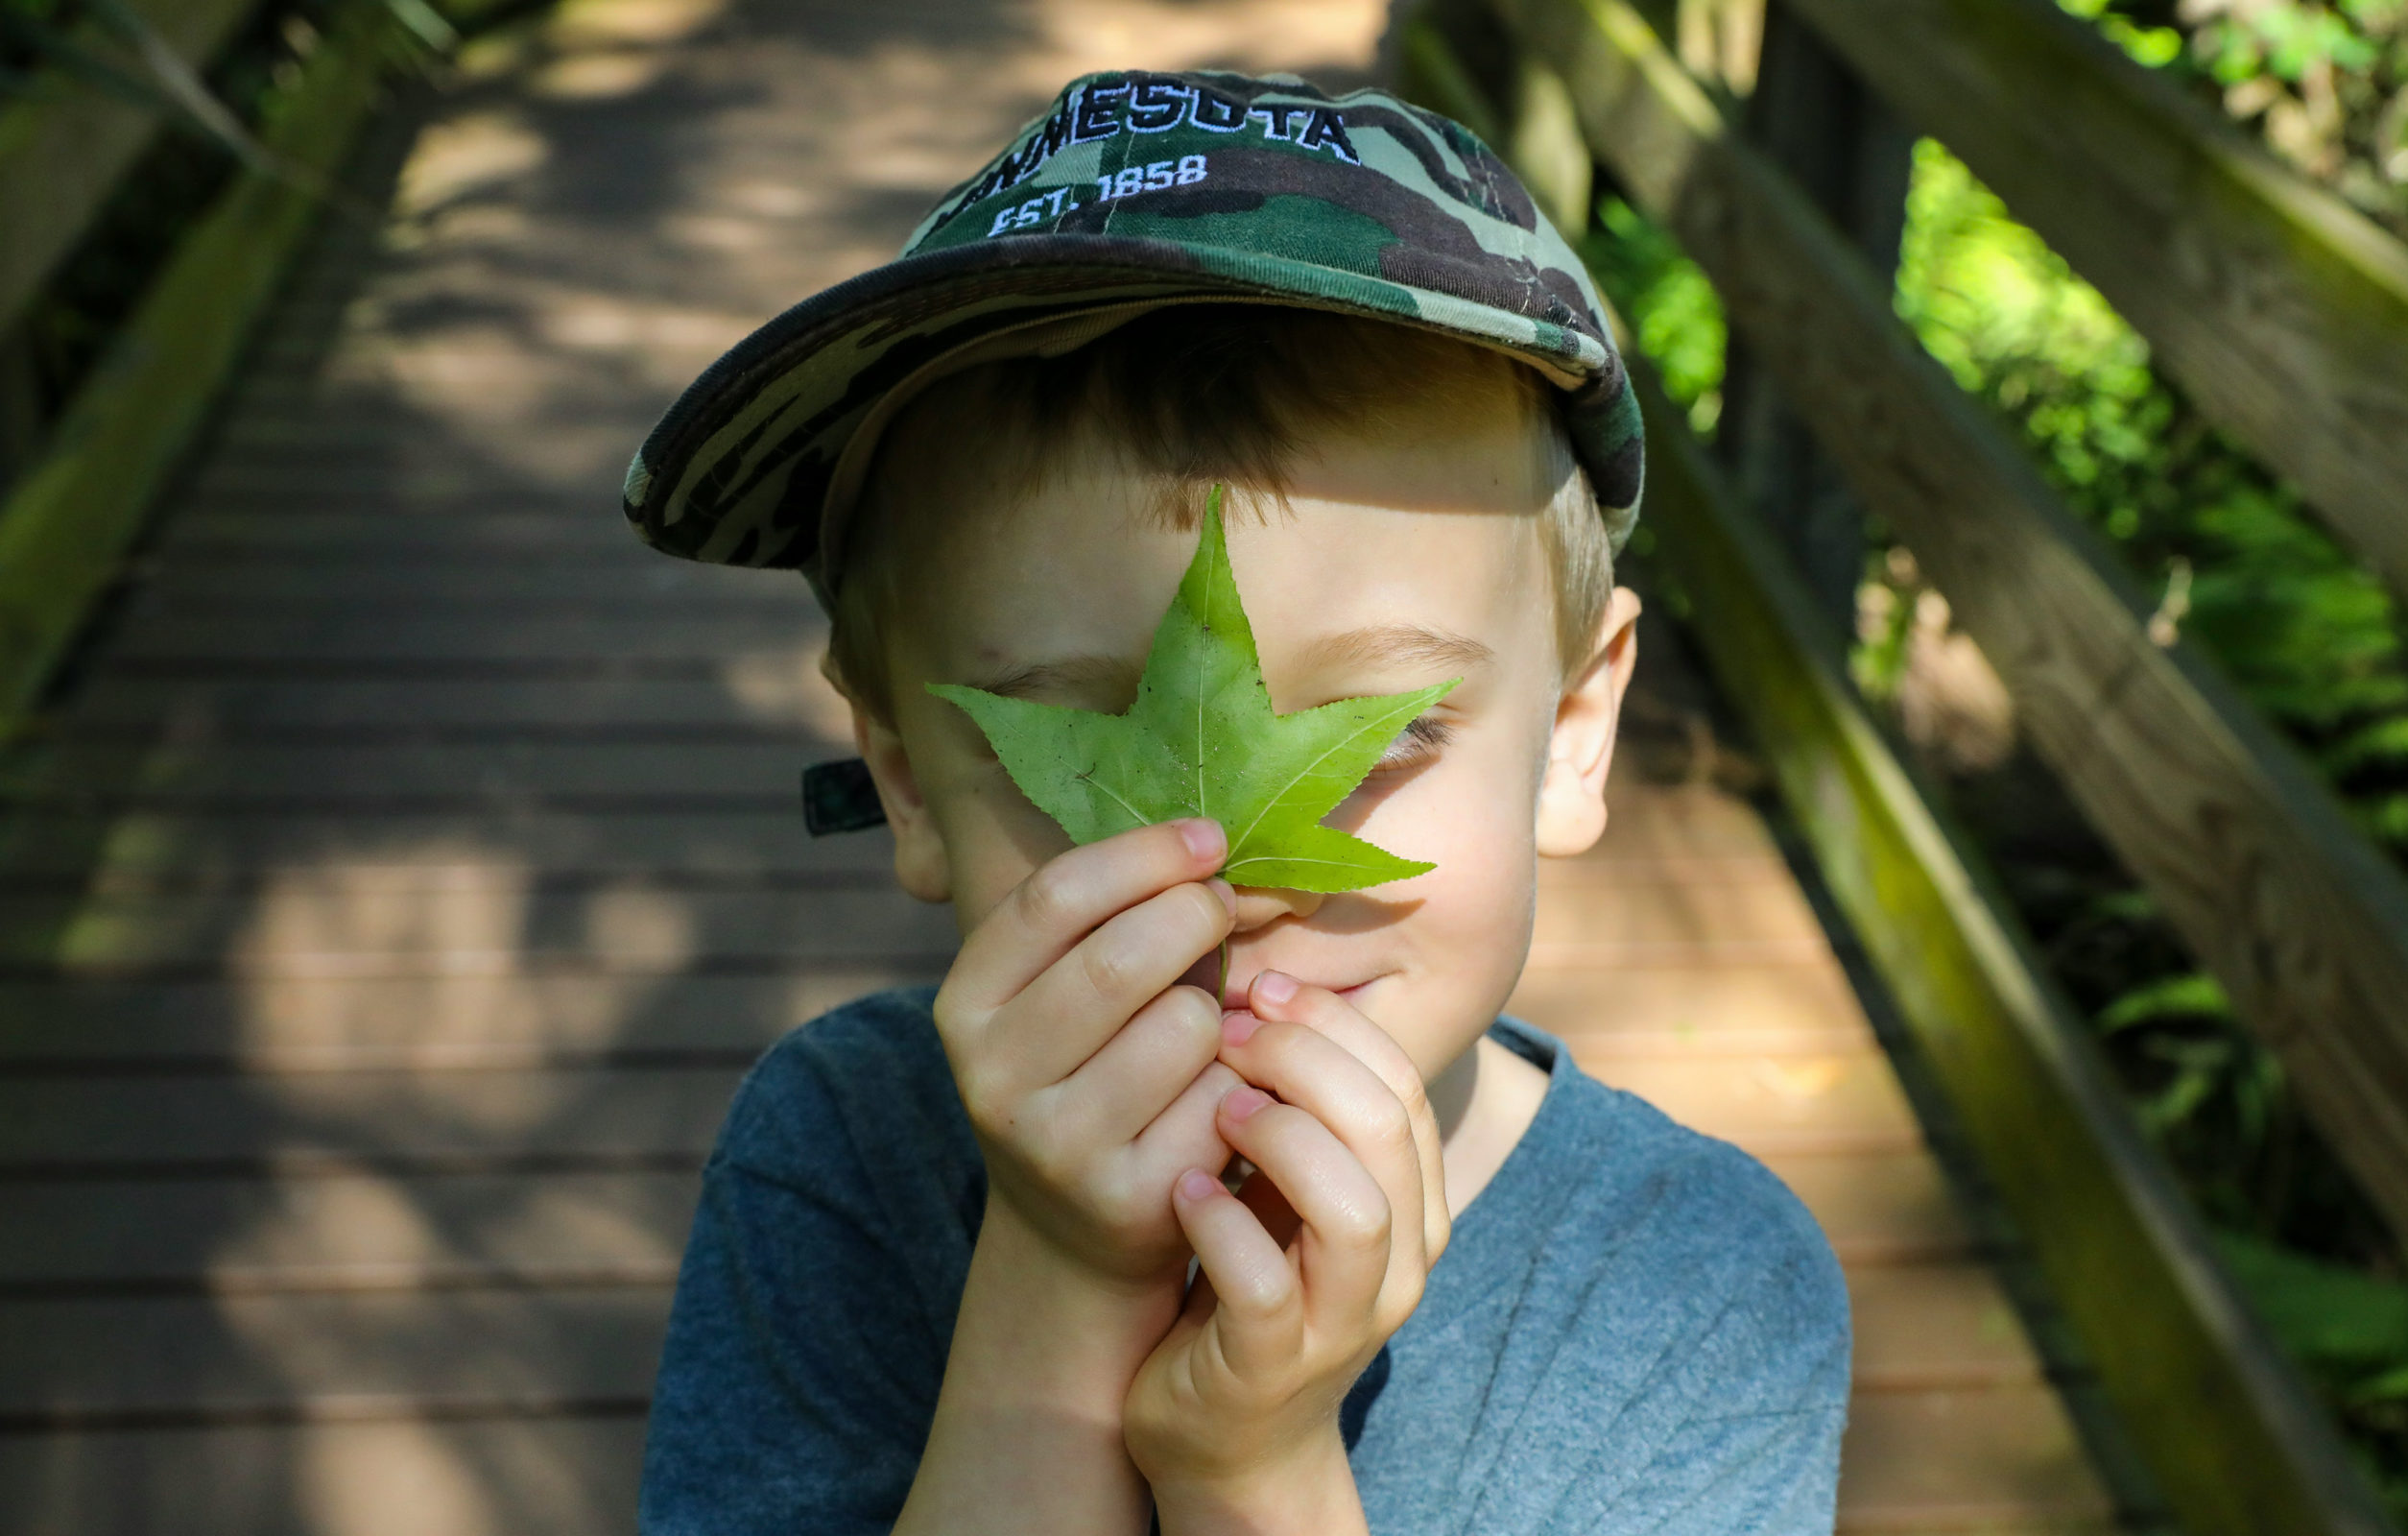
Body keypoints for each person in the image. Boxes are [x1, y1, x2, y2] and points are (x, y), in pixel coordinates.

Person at [623, 67, 1850, 1536]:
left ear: (1573, 733)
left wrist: (1251, 1470)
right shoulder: (838, 1157)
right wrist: (1059, 1290)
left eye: (1378, 736)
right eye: (1080, 743)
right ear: (906, 781)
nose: (1235, 888)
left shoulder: (1702, 1289)